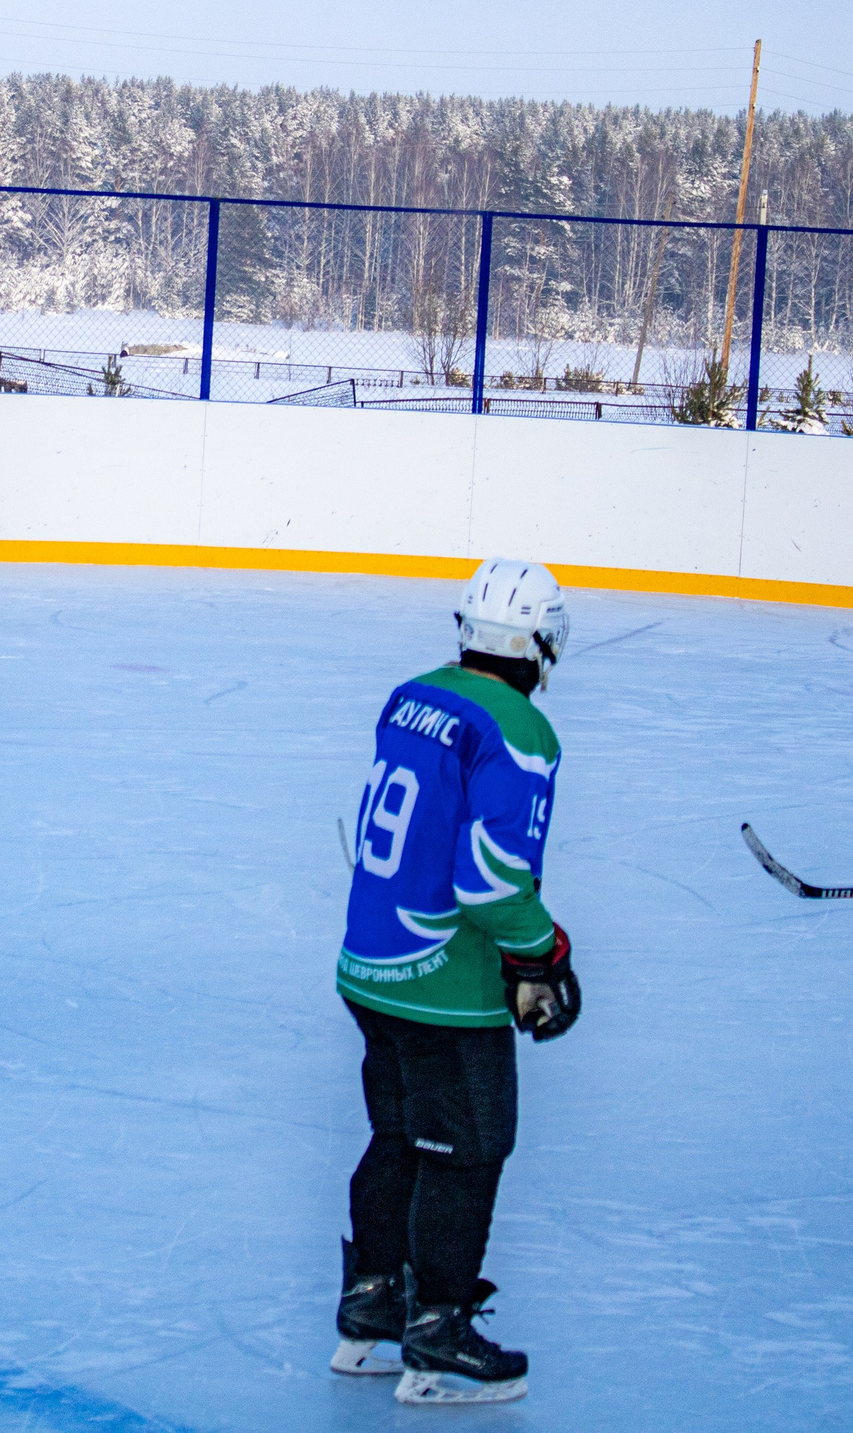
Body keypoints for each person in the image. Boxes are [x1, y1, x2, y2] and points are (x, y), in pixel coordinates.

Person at [331, 558, 581, 1407]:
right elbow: (490, 881)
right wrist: (543, 954)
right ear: (543, 643)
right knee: (467, 1148)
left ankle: (371, 1309)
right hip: (445, 984)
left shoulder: (412, 695)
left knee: (398, 1134)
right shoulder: (520, 728)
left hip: (369, 965)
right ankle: (436, 1332)